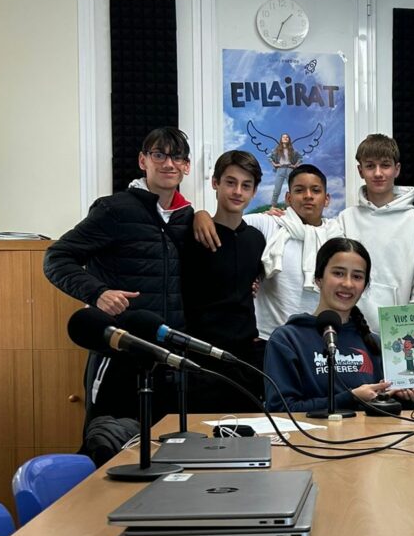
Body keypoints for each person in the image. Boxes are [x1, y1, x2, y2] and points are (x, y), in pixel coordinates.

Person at [44, 126, 194, 430]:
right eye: (159, 155)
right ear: (143, 161)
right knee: (108, 447)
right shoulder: (114, 209)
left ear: (187, 166)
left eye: (177, 157)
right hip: (118, 355)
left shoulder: (187, 218)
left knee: (169, 457)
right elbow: (56, 258)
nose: (169, 163)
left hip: (169, 361)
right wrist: (97, 293)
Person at [264, 238, 414, 413]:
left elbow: (384, 409)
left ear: (365, 286)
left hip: (370, 439)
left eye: (357, 276)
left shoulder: (375, 342)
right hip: (310, 440)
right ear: (318, 278)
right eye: (338, 273)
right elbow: (281, 409)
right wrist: (351, 398)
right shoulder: (287, 339)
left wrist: (404, 397)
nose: (348, 284)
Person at [194, 164, 343, 340]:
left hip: (319, 338)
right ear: (288, 198)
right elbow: (221, 222)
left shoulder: (337, 236)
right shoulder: (270, 224)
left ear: (326, 199)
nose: (308, 196)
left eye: (315, 190)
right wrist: (200, 214)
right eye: (299, 190)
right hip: (269, 338)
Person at [180, 150, 266, 412]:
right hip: (201, 359)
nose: (238, 191)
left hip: (245, 361)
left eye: (246, 185)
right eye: (230, 182)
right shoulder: (193, 234)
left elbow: (255, 278)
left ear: (254, 191)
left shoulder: (256, 239)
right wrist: (199, 214)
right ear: (215, 183)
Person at [338, 134, 414, 332]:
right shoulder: (346, 219)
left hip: (400, 331)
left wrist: (410, 327)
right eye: (370, 166)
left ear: (397, 169)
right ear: (360, 170)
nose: (378, 173)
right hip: (352, 328)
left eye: (385, 165)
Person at [270, 133, 301, 207]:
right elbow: (269, 157)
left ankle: (293, 206)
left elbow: (300, 158)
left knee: (292, 188)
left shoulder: (293, 150)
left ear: (289, 139)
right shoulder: (277, 150)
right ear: (281, 139)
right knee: (277, 189)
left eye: (287, 137)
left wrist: (295, 165)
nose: (285, 138)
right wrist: (274, 164)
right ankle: (273, 206)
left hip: (289, 169)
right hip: (280, 169)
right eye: (283, 137)